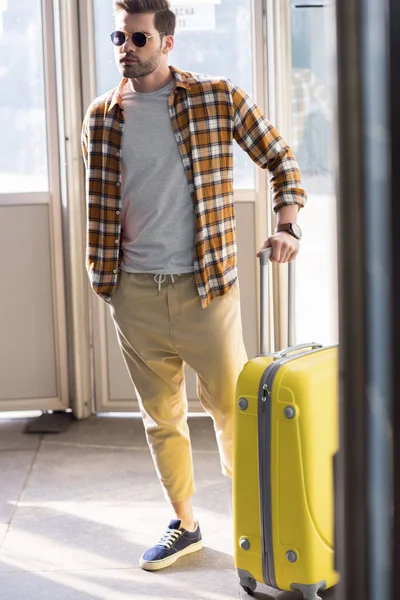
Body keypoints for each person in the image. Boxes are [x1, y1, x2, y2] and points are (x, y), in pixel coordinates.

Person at [81, 0, 306, 572]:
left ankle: (256, 520)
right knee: (161, 417)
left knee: (234, 408)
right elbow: (106, 205)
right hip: (133, 292)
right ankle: (185, 525)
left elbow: (281, 159)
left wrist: (286, 225)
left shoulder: (216, 97)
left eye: (137, 39)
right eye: (119, 37)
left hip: (206, 289)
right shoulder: (102, 116)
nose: (125, 50)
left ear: (166, 42)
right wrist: (106, 282)